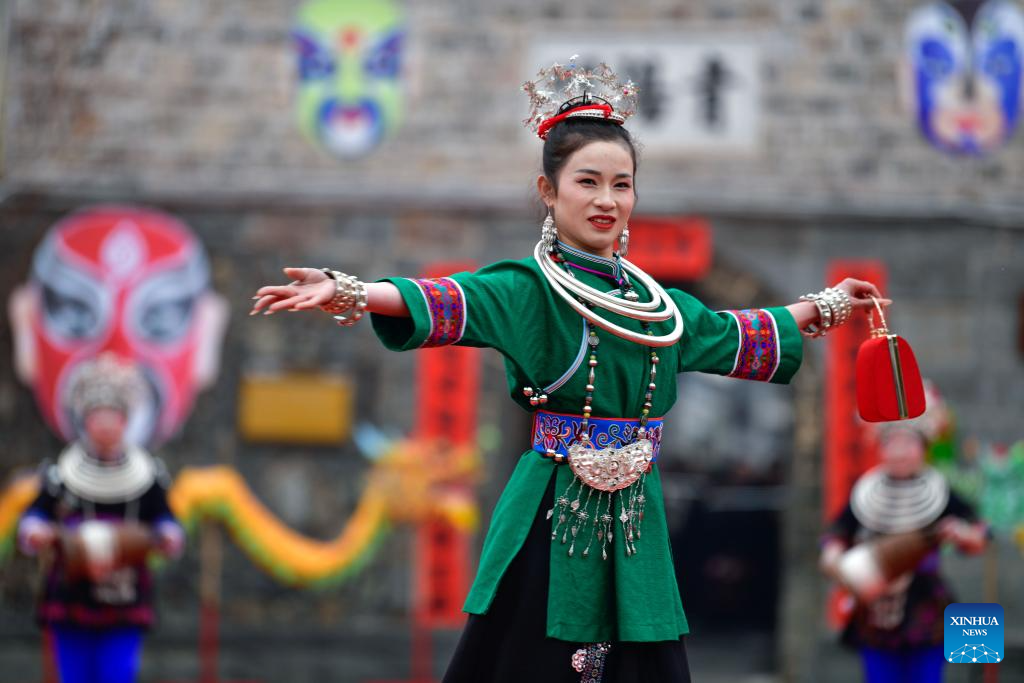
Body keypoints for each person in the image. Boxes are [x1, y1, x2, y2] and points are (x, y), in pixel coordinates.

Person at [251, 59, 887, 683]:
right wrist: (351, 291)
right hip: (554, 508)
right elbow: (450, 299)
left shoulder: (658, 306)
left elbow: (735, 333)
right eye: (587, 182)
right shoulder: (526, 289)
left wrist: (829, 305)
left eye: (622, 183)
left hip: (635, 515)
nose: (607, 200)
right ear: (548, 192)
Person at [17, 353, 185, 683]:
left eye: (113, 418)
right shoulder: (59, 475)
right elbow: (36, 513)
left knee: (117, 673)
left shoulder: (148, 476)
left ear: (125, 422)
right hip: (71, 592)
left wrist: (166, 535)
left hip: (124, 593)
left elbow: (165, 517)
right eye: (98, 418)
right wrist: (36, 530)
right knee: (74, 675)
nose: (106, 426)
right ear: (86, 422)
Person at [819, 397, 989, 683]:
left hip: (929, 608)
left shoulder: (941, 490)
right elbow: (836, 534)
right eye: (892, 444)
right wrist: (834, 556)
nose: (900, 452)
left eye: (908, 444)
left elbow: (979, 531)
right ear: (881, 448)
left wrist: (964, 535)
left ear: (922, 449)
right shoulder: (864, 493)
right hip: (875, 612)